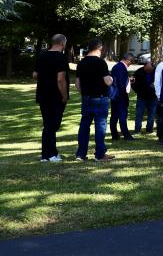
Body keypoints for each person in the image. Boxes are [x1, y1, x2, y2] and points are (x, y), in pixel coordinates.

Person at [75, 38, 115, 161]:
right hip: (100, 98)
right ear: (100, 48)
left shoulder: (81, 63)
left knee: (84, 126)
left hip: (86, 98)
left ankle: (81, 154)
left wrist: (85, 94)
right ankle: (100, 154)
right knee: (100, 126)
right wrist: (112, 79)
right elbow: (107, 81)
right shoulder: (100, 63)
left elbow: (77, 83)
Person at [33, 34, 70, 162]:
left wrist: (45, 78)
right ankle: (51, 154)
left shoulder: (42, 55)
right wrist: (64, 96)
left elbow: (35, 74)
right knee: (52, 125)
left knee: (48, 124)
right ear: (62, 44)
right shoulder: (61, 57)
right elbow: (60, 79)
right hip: (55, 96)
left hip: (43, 94)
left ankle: (45, 155)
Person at [110, 53, 135, 141]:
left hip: (115, 95)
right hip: (120, 95)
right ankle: (126, 135)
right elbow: (120, 83)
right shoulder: (121, 67)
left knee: (114, 116)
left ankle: (115, 135)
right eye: (131, 61)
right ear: (128, 60)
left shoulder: (117, 66)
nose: (131, 63)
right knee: (122, 116)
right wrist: (125, 95)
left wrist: (128, 79)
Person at [132, 60, 158, 134]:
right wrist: (138, 91)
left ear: (153, 67)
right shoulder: (138, 72)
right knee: (139, 114)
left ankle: (149, 129)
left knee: (152, 114)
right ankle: (137, 130)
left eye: (150, 70)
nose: (148, 72)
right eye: (147, 70)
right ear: (144, 67)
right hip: (141, 97)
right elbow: (133, 83)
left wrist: (155, 87)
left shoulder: (157, 72)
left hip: (153, 96)